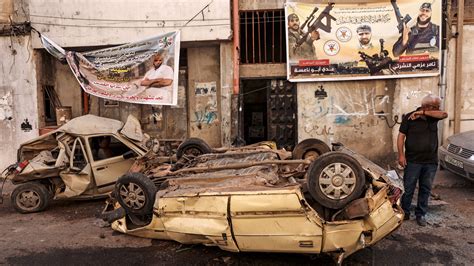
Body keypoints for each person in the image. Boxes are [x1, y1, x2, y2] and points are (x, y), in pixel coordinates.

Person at [397, 94, 447, 226]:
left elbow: (444, 114)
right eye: (435, 107)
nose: (438, 109)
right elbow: (401, 137)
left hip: (430, 162)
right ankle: (405, 213)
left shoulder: (433, 117)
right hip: (413, 161)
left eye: (438, 106)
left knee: (426, 189)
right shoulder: (409, 117)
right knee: (408, 188)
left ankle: (421, 215)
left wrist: (423, 113)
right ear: (426, 105)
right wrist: (401, 155)